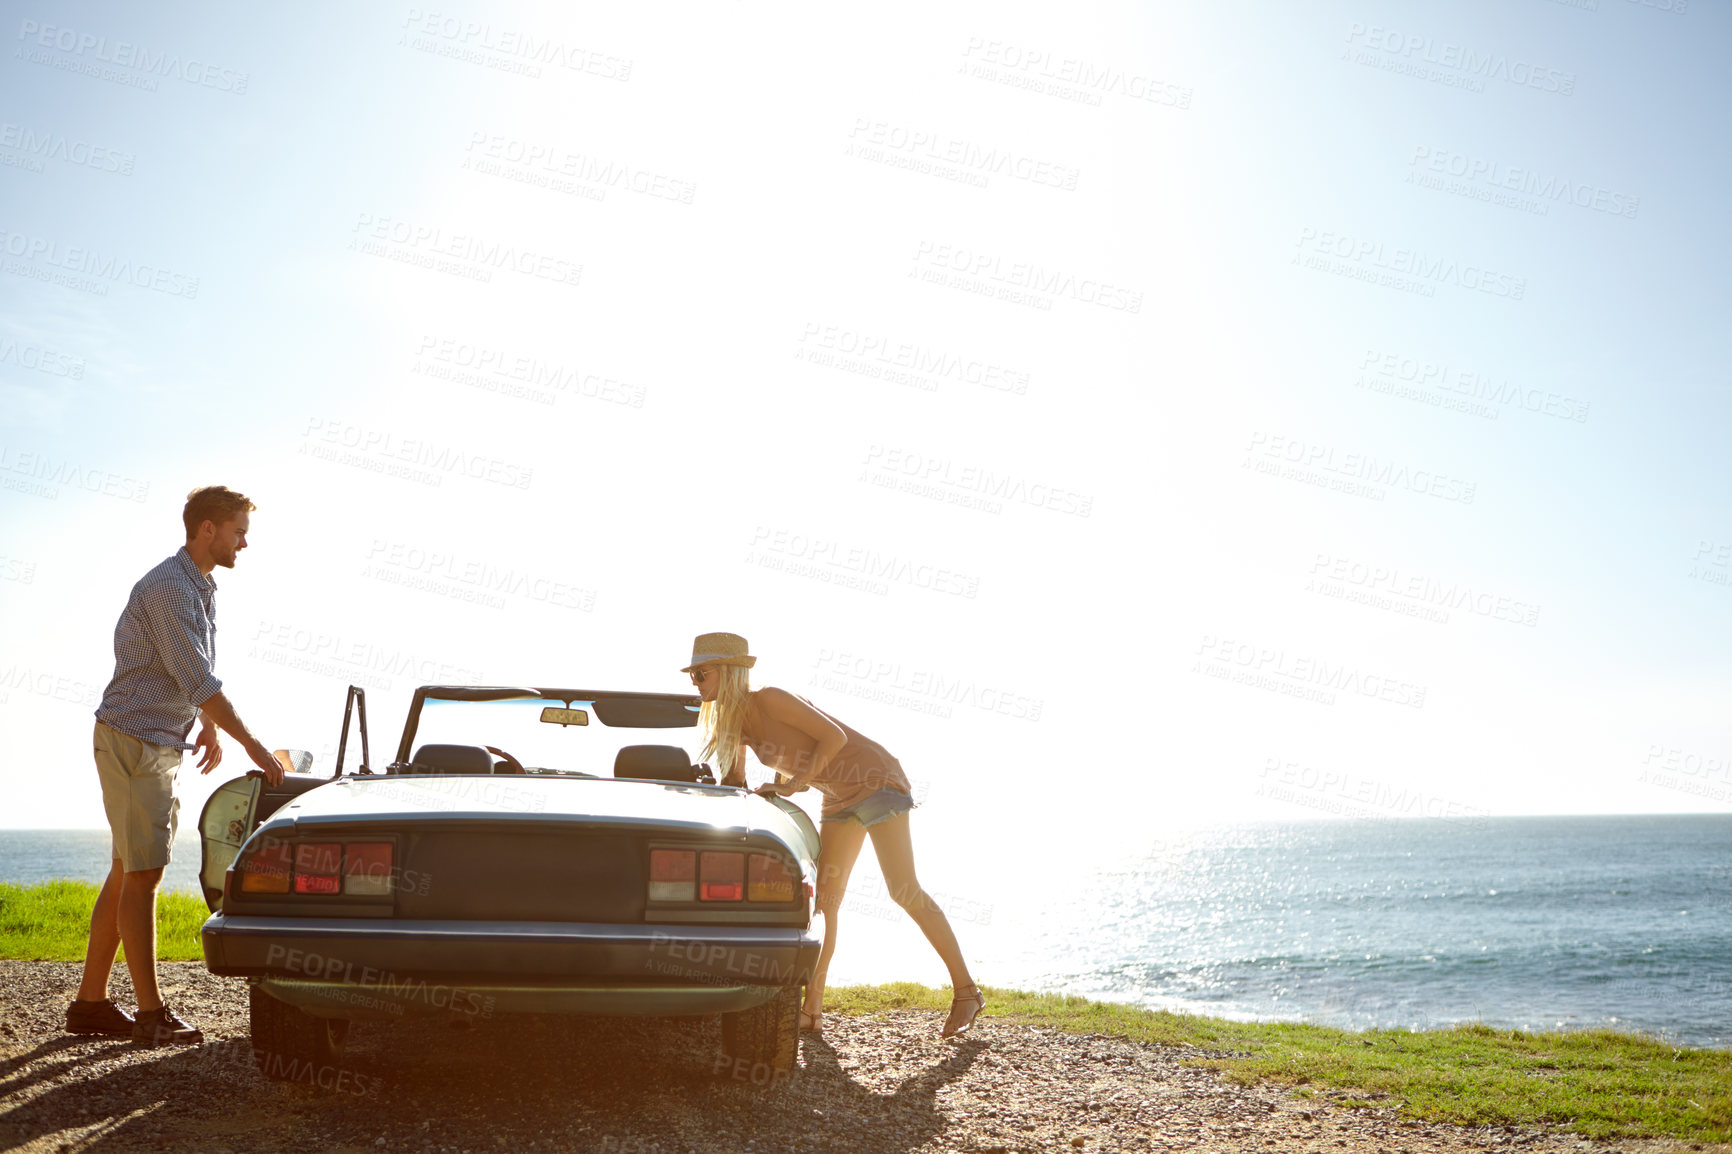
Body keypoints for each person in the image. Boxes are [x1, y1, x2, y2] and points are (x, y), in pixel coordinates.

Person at [681, 631, 984, 1038]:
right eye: (693, 675)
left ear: (729, 672)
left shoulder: (769, 698)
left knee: (902, 889)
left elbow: (834, 738)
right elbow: (734, 781)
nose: (695, 682)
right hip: (837, 796)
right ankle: (812, 1010)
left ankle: (967, 991)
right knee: (825, 901)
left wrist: (791, 785)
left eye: (701, 673)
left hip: (875, 779)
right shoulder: (734, 722)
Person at [67, 486, 285, 1047]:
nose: (244, 542)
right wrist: (253, 746)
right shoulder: (169, 586)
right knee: (144, 876)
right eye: (239, 531)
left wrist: (206, 724)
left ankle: (90, 1003)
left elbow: (190, 668)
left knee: (126, 870)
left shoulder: (198, 585)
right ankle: (150, 1013)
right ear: (206, 528)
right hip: (135, 743)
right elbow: (196, 678)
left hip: (155, 741)